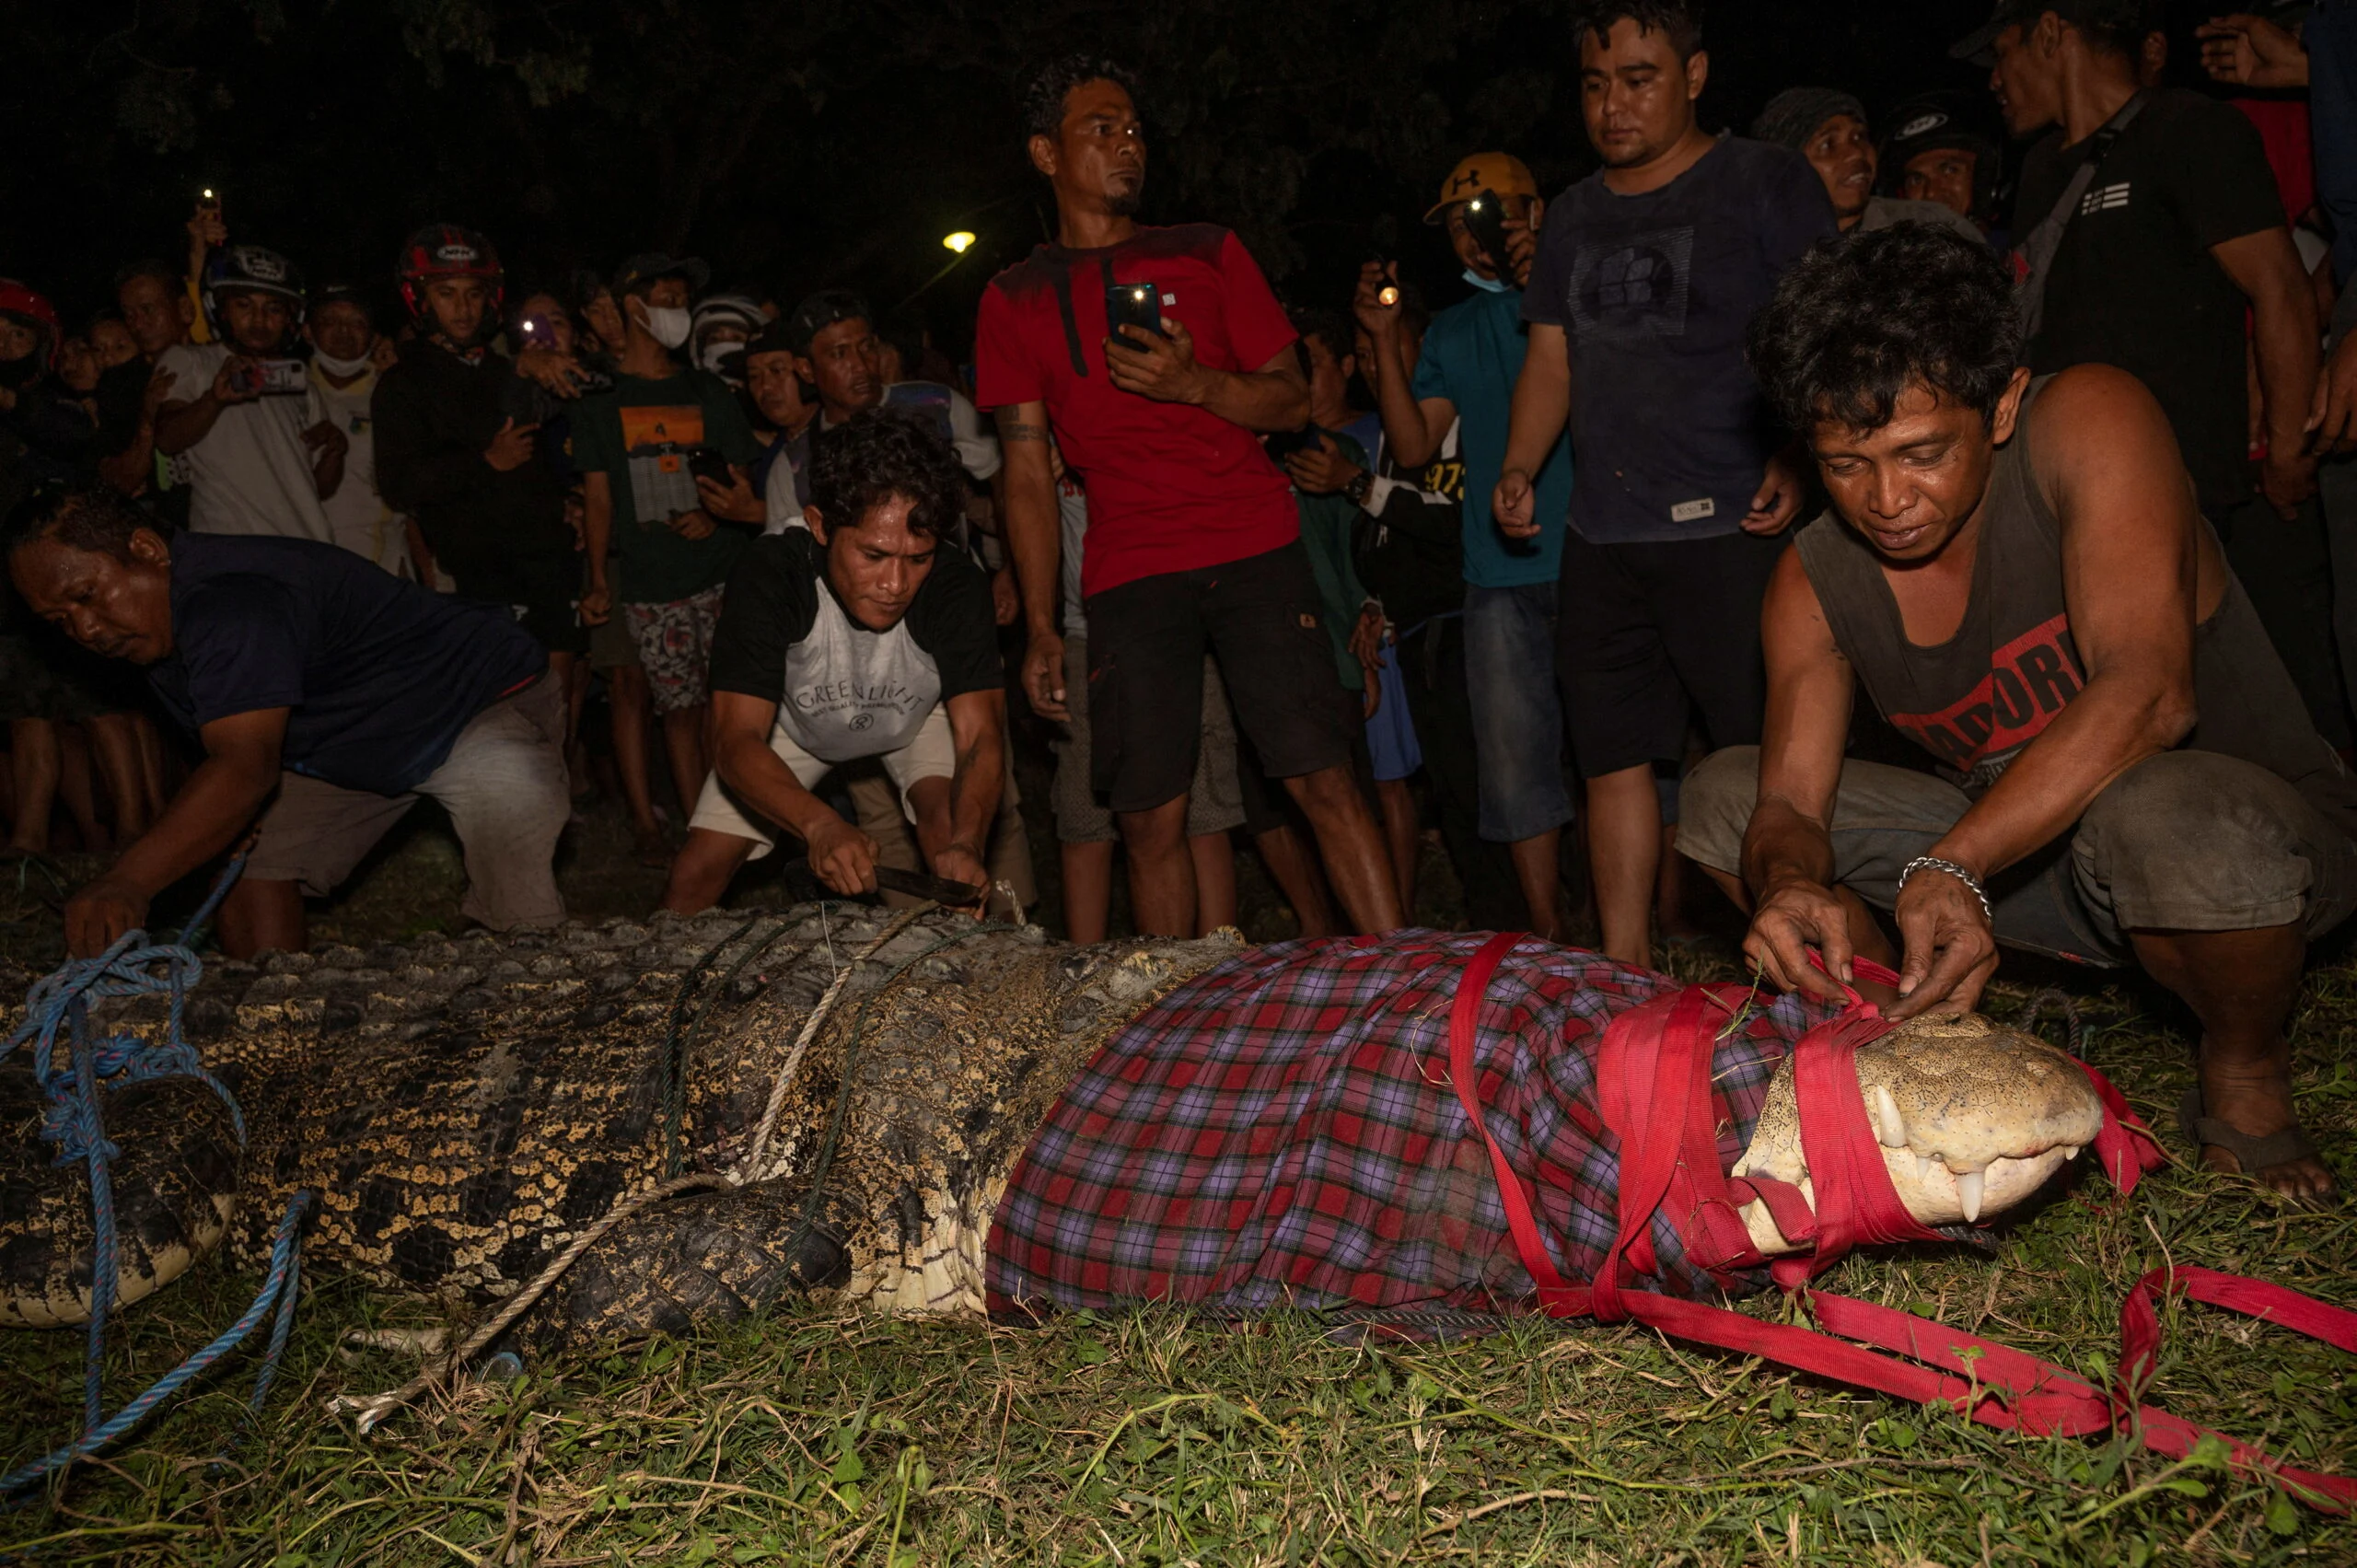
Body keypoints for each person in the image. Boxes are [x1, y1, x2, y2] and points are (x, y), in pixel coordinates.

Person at [1678, 225, 2357, 1204]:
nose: (1886, 499)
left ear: (1999, 406)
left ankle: (2244, 1065)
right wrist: (1788, 882)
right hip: (2026, 862)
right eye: (1845, 463)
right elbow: (1787, 801)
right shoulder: (1814, 578)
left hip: (2246, 847)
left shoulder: (2086, 421)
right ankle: (1920, 1035)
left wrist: (1952, 863)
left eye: (1920, 454)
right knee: (1718, 799)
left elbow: (2150, 692)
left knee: (2160, 810)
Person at [980, 55, 1404, 939]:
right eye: (1102, 128)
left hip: (1252, 542)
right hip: (1130, 568)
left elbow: (1290, 399)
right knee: (1148, 814)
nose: (1128, 143)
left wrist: (1196, 383)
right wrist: (1043, 630)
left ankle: (1407, 987)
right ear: (1046, 153)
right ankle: (1171, 1021)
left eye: (1134, 128)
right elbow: (1024, 469)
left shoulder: (1205, 251)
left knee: (1320, 775)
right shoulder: (1015, 297)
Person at [1499, 0, 1832, 967]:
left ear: (1692, 75)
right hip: (1604, 533)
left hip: (1734, 523)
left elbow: (1821, 330)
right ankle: (1623, 974)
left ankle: (1814, 966)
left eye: (1638, 78)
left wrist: (1799, 455)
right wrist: (1520, 466)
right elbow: (1551, 363)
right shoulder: (1570, 214)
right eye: (1596, 84)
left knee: (1758, 763)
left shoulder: (1763, 183)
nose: (1613, 105)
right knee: (1611, 759)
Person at [1959, 0, 2338, 744]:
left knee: (2261, 727)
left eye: (2003, 53)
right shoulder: (2039, 170)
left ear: (2051, 32)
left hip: (2199, 502)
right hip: (2072, 510)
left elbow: (2282, 287)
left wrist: (2291, 452)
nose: (1996, 80)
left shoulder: (2189, 130)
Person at [11, 486, 569, 960]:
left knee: (515, 879)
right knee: (244, 861)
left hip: (472, 700)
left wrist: (126, 881)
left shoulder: (231, 602)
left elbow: (244, 766)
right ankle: (277, 1027)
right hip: (348, 736)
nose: (84, 629)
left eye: (86, 596)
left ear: (146, 549)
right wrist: (226, 809)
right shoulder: (154, 621)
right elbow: (230, 759)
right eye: (61, 620)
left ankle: (541, 1010)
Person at [658, 411, 1004, 912]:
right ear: (820, 525)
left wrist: (968, 844)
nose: (896, 584)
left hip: (917, 711)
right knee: (697, 870)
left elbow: (981, 737)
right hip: (792, 718)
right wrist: (819, 824)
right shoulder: (772, 573)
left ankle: (963, 977)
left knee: (951, 842)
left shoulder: (956, 586)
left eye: (918, 558)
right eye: (873, 555)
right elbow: (734, 741)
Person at [1356, 151, 1576, 938]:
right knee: (1514, 764)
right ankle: (1549, 934)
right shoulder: (1449, 329)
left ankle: (1651, 931)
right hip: (1497, 575)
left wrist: (1547, 279)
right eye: (1456, 222)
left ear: (1538, 211)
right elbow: (1414, 447)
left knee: (1626, 756)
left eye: (1491, 212)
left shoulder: (1581, 295)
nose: (1472, 234)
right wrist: (1383, 340)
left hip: (1595, 555)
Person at [1343, 291, 1528, 931]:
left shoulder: (1461, 420)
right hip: (1416, 628)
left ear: (1423, 351)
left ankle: (1522, 919)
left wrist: (1365, 490)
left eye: (1387, 349)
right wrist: (1375, 603)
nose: (1374, 366)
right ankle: (1488, 923)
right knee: (1450, 785)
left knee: (1488, 777)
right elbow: (1386, 542)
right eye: (1364, 354)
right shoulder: (1394, 439)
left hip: (1467, 616)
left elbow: (1458, 521)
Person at [575, 252, 762, 834]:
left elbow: (742, 478)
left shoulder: (706, 389)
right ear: (633, 306)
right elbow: (598, 497)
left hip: (720, 574)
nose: (680, 311)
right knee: (679, 713)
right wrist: (600, 580)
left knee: (731, 710)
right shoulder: (600, 401)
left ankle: (744, 824)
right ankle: (705, 828)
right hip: (652, 583)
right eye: (669, 300)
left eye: (684, 301)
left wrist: (717, 518)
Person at [372, 225, 588, 706]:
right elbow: (398, 484)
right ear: (419, 298)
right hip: (475, 575)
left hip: (547, 566)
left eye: (474, 293)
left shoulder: (507, 369)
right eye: (446, 293)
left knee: (557, 706)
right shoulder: (402, 384)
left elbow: (545, 454)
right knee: (495, 718)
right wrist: (484, 462)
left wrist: (570, 502)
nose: (463, 307)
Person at [151, 245, 348, 543]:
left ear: (289, 318)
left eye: (273, 308)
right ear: (221, 309)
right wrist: (214, 400)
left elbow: (316, 488)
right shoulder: (191, 361)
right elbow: (167, 439)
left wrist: (336, 451)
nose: (259, 320)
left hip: (308, 546)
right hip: (231, 547)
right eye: (244, 305)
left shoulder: (298, 378)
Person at [1749, 87, 1988, 241]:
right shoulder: (1751, 251)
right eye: (1828, 145)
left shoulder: (1933, 232)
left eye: (1859, 137)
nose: (1856, 153)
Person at [305, 285, 412, 576]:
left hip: (382, 560)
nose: (343, 332)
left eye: (357, 323)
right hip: (305, 556)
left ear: (374, 336)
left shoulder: (393, 392)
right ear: (306, 330)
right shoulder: (286, 391)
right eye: (330, 321)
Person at [94, 260, 197, 514]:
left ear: (184, 309)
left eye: (148, 309)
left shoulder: (223, 367)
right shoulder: (119, 387)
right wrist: (148, 420)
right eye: (129, 314)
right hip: (178, 537)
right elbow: (117, 482)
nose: (138, 324)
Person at [1878, 91, 2008, 238]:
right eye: (1917, 180)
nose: (1931, 192)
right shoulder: (1879, 258)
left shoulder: (2024, 255)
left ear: (1985, 183)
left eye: (1950, 170)